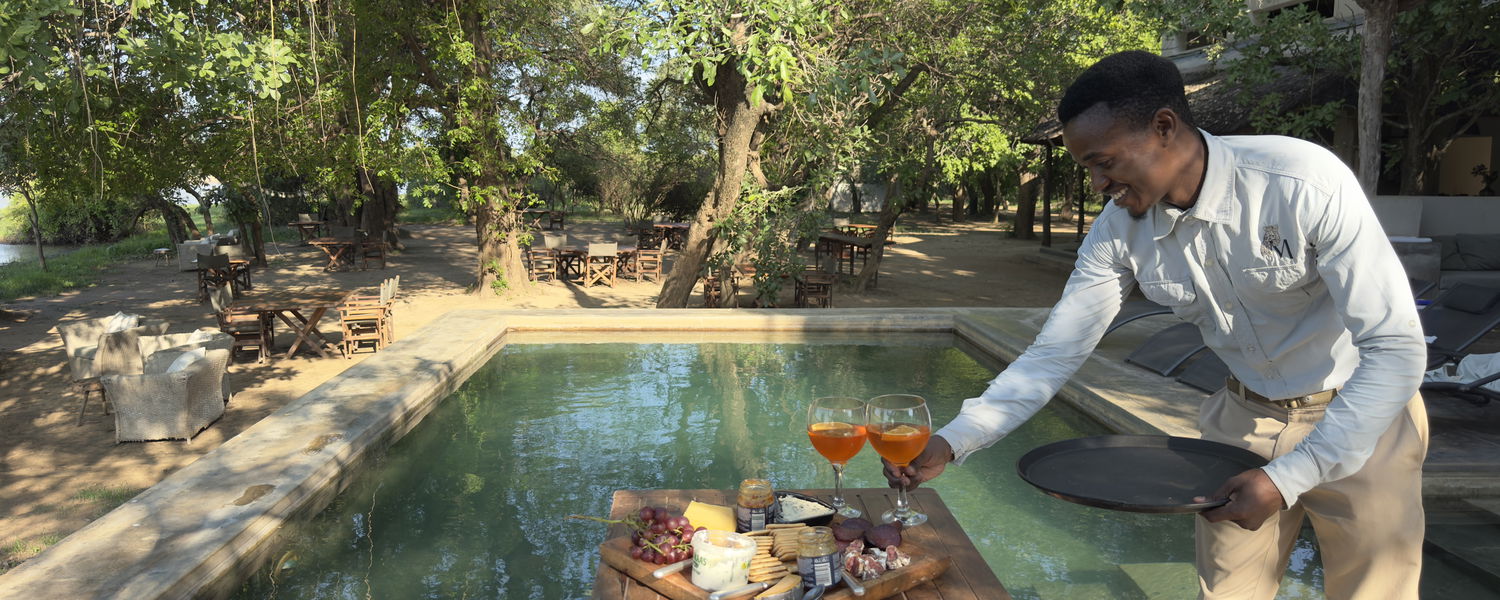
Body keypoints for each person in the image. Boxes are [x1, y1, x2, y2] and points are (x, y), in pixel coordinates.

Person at [883, 50, 1429, 600]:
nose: (1097, 183)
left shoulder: (1300, 182)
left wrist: (1288, 478)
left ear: (1164, 127)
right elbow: (1055, 353)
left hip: (1362, 417)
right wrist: (953, 440)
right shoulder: (1117, 231)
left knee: (1373, 591)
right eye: (1088, 168)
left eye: (1105, 161)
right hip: (1243, 418)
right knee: (1225, 592)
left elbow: (1395, 347)